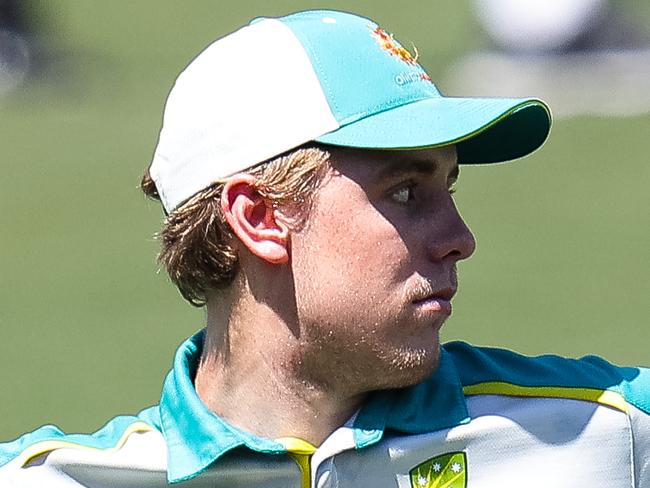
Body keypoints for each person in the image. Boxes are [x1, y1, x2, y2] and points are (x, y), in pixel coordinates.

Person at [0, 9, 648, 488]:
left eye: (448, 186)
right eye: (404, 194)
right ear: (259, 219)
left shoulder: (603, 430)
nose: (461, 239)